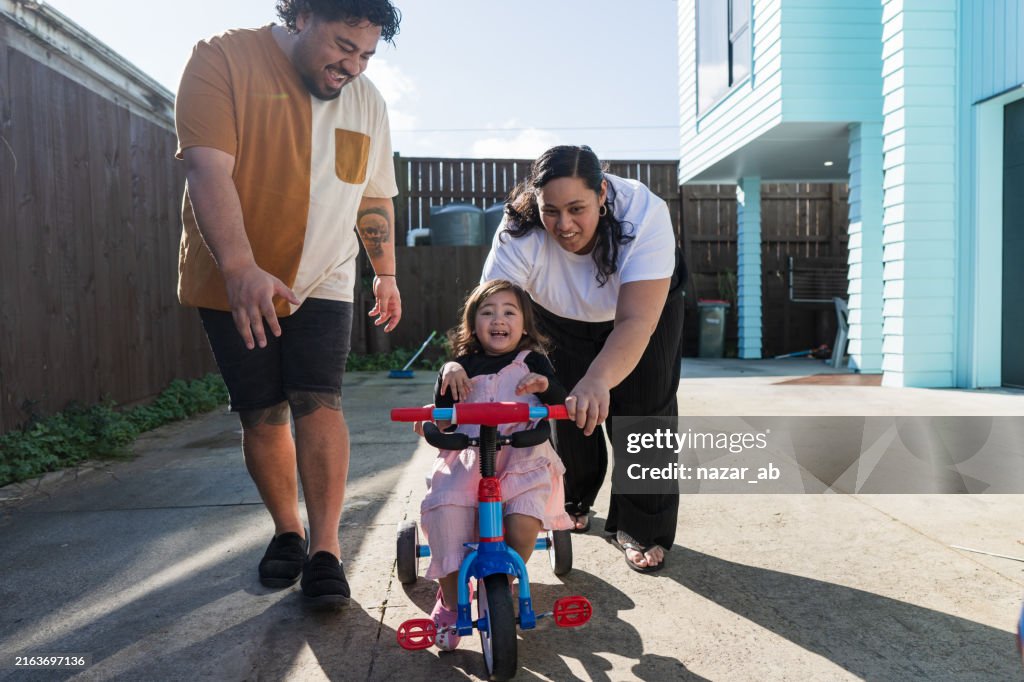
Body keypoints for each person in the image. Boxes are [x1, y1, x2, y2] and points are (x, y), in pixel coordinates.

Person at [173, 0, 402, 606]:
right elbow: (207, 168)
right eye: (342, 47)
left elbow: (373, 196)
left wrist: (386, 272)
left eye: (365, 54)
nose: (352, 66)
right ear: (301, 17)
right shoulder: (222, 59)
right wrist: (241, 267)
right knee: (262, 410)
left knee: (318, 401)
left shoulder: (367, 101)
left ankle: (326, 547)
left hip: (324, 276)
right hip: (234, 276)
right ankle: (288, 531)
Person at [481, 145, 686, 574]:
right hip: (558, 313)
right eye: (550, 211)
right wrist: (475, 381)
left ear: (603, 194)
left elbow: (634, 321)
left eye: (577, 208)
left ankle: (641, 527)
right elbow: (493, 319)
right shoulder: (518, 233)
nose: (564, 224)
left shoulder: (644, 215)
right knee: (565, 406)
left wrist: (599, 379)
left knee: (645, 411)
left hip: (641, 311)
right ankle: (572, 499)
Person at [418, 279, 574, 650]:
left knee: (522, 523)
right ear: (473, 325)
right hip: (470, 456)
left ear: (524, 324)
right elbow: (444, 414)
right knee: (447, 512)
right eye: (487, 312)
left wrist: (543, 385)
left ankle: (504, 581)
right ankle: (452, 599)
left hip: (522, 455)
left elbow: (558, 398)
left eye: (509, 312)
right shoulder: (463, 365)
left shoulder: (533, 360)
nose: (498, 319)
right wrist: (447, 372)